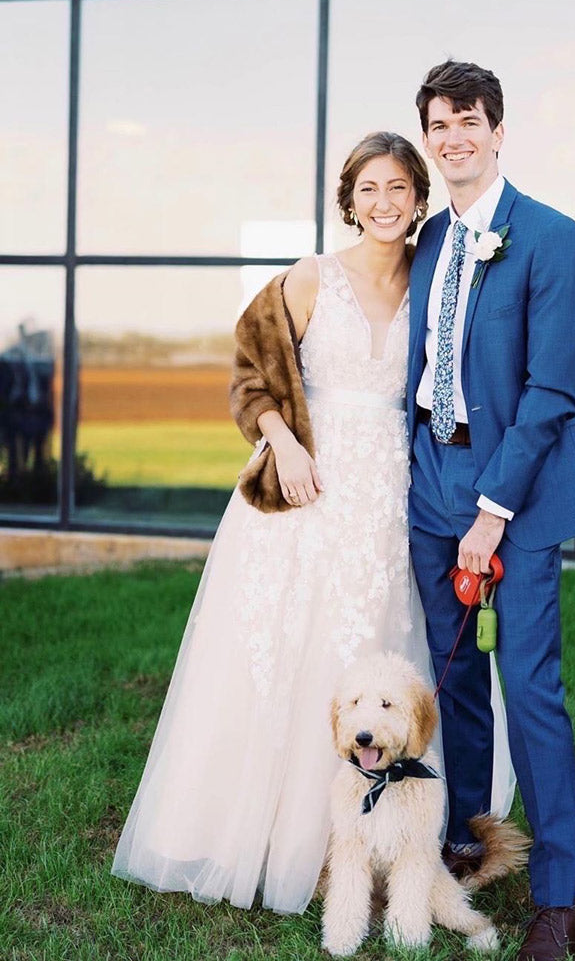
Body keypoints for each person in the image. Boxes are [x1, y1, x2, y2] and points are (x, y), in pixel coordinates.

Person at [111, 132, 438, 914]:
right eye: (368, 189)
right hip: (306, 485)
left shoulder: (436, 282)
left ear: (418, 199)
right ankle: (257, 837)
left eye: (398, 188)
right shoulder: (308, 278)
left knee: (369, 643)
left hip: (389, 492)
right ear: (349, 201)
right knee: (279, 653)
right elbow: (250, 372)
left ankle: (364, 844)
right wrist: (283, 441)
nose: (384, 202)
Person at [407, 61, 575, 961]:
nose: (454, 138)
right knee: (453, 687)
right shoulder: (431, 237)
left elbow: (553, 390)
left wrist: (491, 512)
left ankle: (560, 898)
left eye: (469, 121)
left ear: (498, 129)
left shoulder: (551, 237)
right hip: (430, 487)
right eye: (440, 124)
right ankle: (467, 844)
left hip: (513, 496)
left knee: (530, 691)